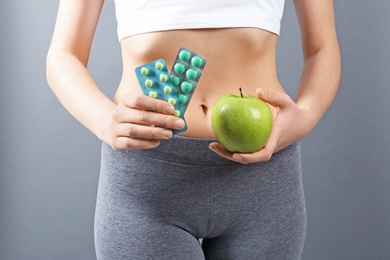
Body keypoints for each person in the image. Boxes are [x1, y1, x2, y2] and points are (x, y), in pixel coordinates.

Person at [46, 0, 341, 259]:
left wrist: (304, 117)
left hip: (262, 176)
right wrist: (104, 120)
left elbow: (322, 48)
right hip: (148, 179)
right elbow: (63, 54)